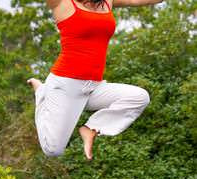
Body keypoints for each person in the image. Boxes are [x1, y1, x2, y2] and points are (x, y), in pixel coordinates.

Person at [27, 0, 163, 160]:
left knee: (139, 97)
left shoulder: (107, 2)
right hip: (66, 86)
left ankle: (91, 128)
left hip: (93, 86)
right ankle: (42, 92)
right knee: (53, 150)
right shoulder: (63, 3)